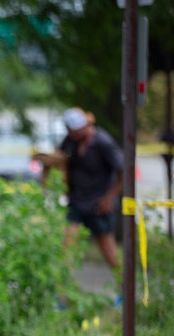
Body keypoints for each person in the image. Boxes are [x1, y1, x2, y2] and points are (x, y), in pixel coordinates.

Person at [59, 107, 124, 276]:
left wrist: (109, 198)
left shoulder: (103, 142)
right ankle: (62, 295)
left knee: (108, 249)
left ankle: (124, 288)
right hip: (77, 201)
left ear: (85, 126)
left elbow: (123, 171)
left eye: (75, 131)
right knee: (68, 245)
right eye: (70, 131)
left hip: (99, 204)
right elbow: (61, 158)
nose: (72, 134)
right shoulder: (71, 140)